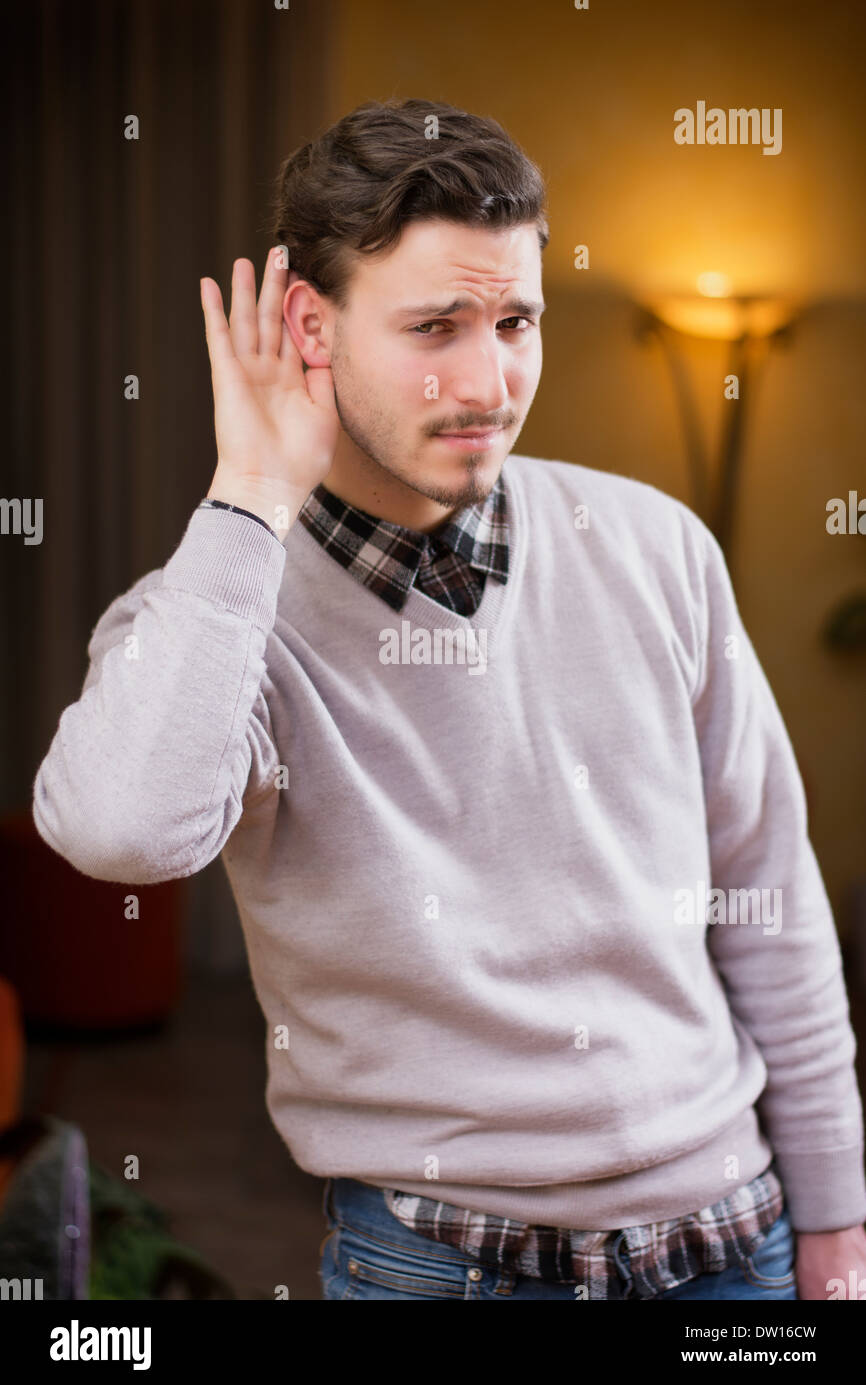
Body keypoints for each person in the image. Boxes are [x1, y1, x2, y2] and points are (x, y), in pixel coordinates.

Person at [32, 97, 866, 1300]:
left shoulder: (659, 547)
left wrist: (837, 1218)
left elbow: (769, 900)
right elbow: (118, 832)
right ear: (307, 328)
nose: (488, 380)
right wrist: (251, 497)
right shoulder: (214, 617)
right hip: (440, 1267)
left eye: (514, 320)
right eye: (435, 326)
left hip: (735, 1247)